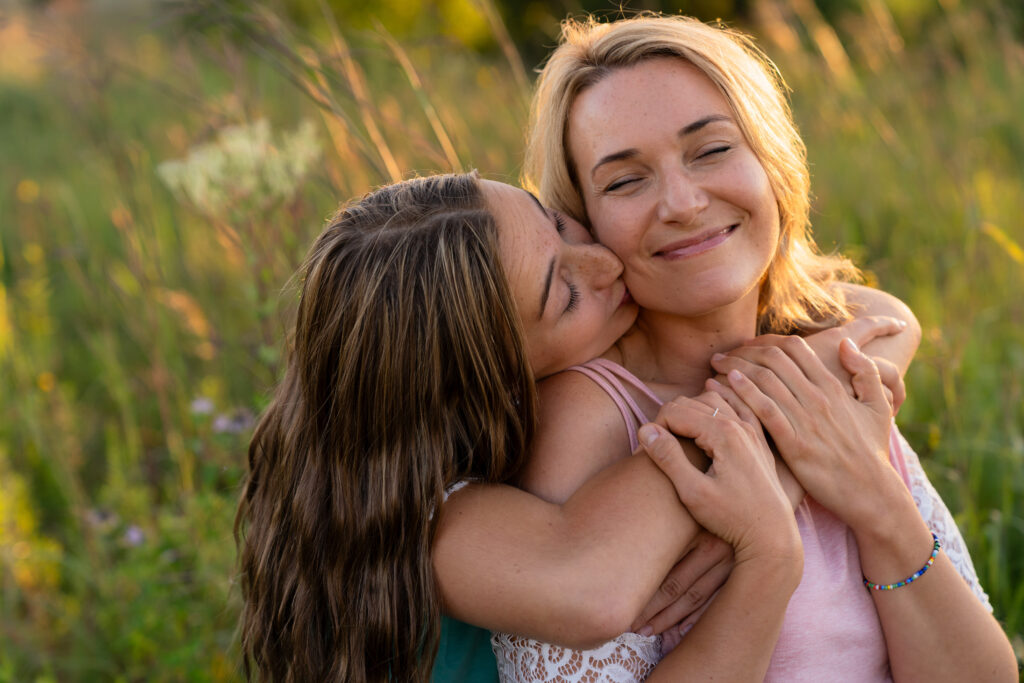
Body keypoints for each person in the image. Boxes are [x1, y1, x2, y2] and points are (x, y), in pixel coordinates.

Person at [234, 172, 924, 682]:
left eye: (559, 226)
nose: (605, 263)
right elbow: (596, 586)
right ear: (488, 380)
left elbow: (877, 313)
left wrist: (782, 453)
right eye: (564, 293)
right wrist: (783, 444)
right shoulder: (439, 523)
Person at [508, 12, 1015, 682]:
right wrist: (766, 552)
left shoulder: (829, 365)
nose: (683, 202)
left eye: (712, 149)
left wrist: (874, 499)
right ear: (583, 219)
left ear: (771, 162)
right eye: (625, 180)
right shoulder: (591, 417)